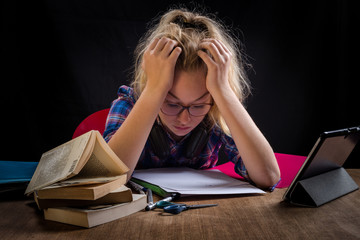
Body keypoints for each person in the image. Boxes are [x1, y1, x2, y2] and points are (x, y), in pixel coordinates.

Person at [103, 8, 280, 190]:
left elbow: (268, 177)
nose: (184, 119)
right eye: (172, 103)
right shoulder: (128, 103)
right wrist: (154, 91)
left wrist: (223, 91)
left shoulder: (215, 110)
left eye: (198, 105)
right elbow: (108, 178)